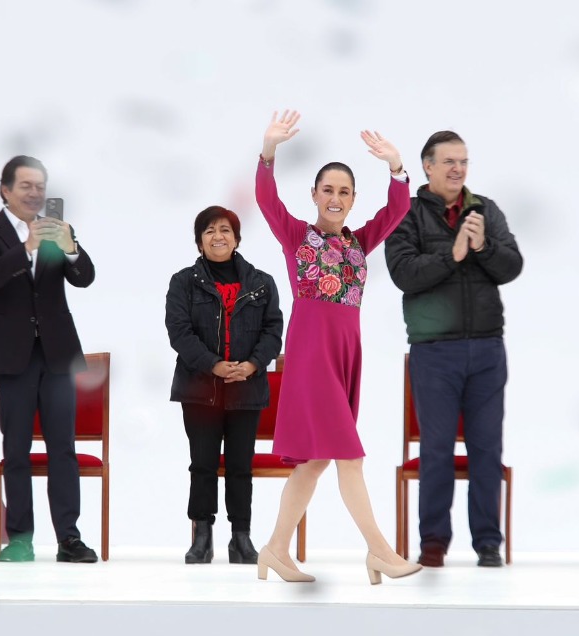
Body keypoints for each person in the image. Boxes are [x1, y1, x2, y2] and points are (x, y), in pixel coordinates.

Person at [253, 109, 422, 585]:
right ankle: (381, 552)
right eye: (327, 189)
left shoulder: (358, 244)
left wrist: (396, 169)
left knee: (314, 463)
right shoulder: (296, 236)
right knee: (349, 456)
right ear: (313, 195)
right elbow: (266, 201)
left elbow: (397, 212)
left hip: (346, 357)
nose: (335, 197)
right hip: (311, 357)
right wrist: (269, 152)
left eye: (344, 191)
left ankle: (275, 550)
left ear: (352, 200)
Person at [384, 131, 523, 568]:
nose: (457, 169)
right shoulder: (405, 213)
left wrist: (482, 246)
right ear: (427, 166)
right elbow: (403, 272)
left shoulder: (485, 210)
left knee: (487, 448)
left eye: (463, 161)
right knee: (437, 448)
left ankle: (487, 542)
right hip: (434, 351)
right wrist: (454, 255)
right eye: (448, 162)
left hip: (486, 348)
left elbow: (513, 265)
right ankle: (434, 542)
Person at [0, 155, 98, 563]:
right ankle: (20, 539)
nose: (35, 193)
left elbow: (85, 277)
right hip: (11, 356)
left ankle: (69, 539)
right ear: (5, 189)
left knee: (64, 448)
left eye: (40, 186)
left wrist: (70, 246)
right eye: (26, 185)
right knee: (17, 448)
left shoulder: (59, 229)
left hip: (56, 354)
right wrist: (27, 247)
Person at [165, 205, 284, 565]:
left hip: (246, 389)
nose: (218, 237)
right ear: (199, 242)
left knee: (239, 465)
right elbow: (179, 333)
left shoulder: (262, 283)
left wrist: (251, 365)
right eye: (210, 231)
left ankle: (241, 538)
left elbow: (273, 331)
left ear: (237, 238)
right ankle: (202, 536)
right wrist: (214, 366)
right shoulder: (183, 282)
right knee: (201, 464)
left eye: (225, 230)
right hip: (201, 389)